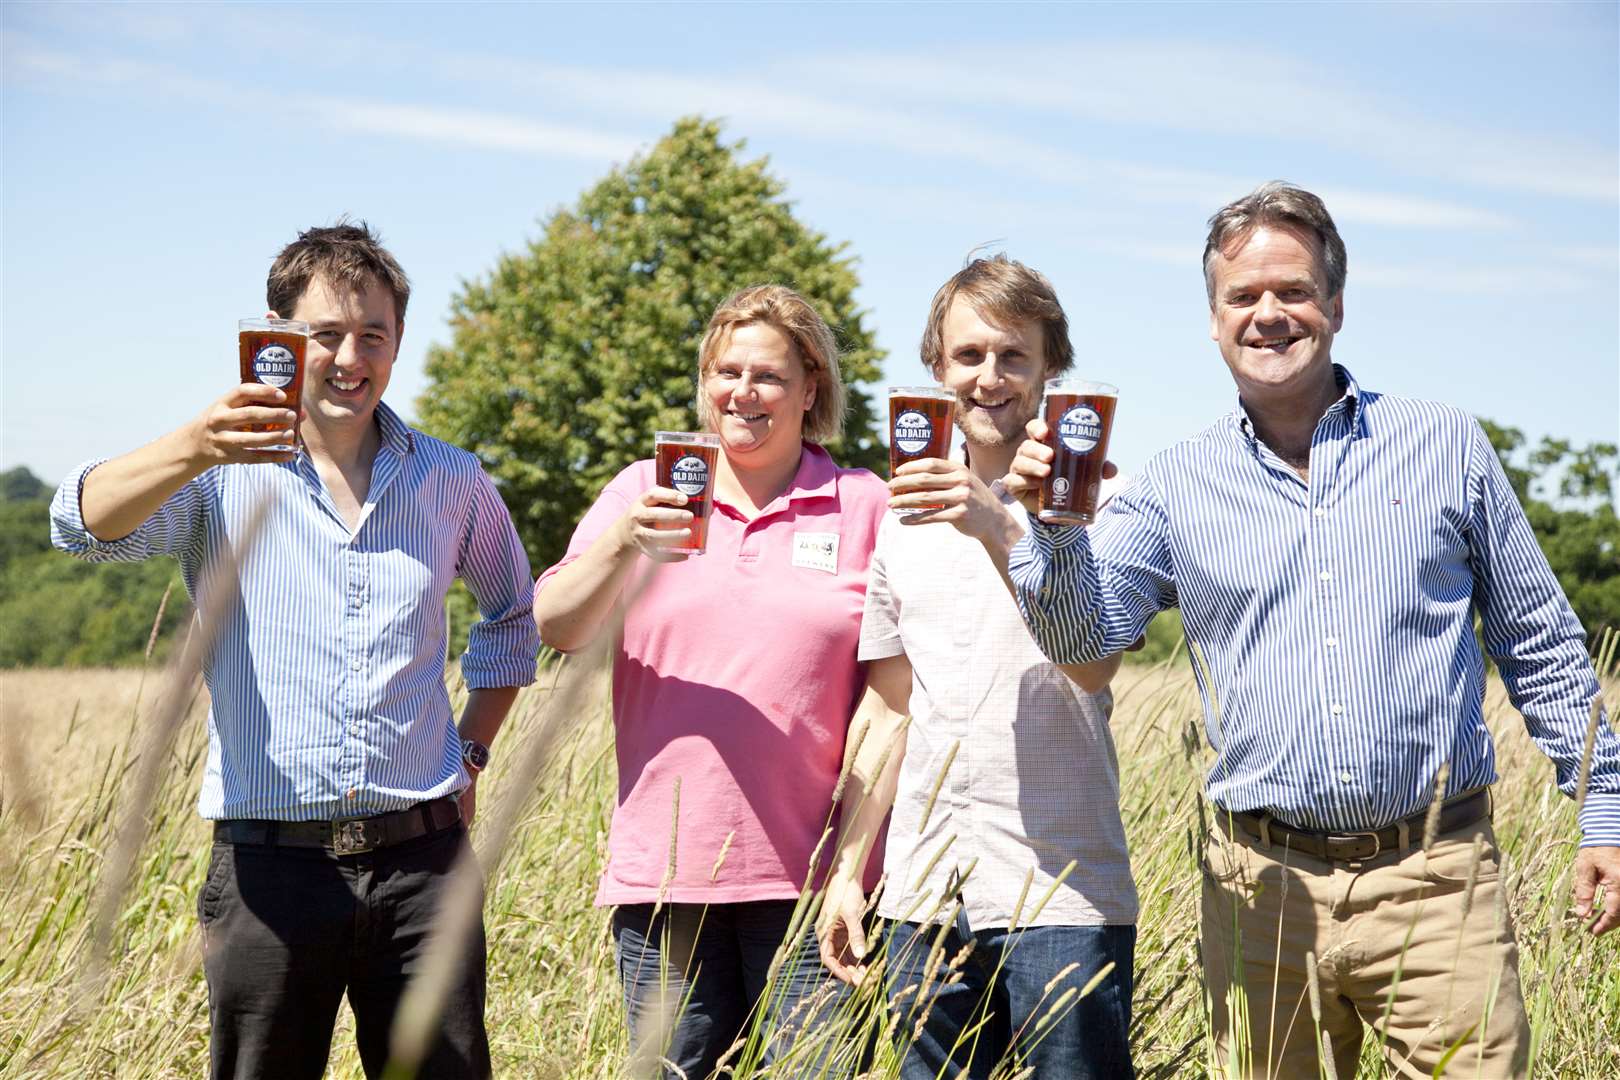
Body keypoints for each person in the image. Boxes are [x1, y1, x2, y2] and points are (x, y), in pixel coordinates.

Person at [1002, 182, 1620, 1078]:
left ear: (1334, 304)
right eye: (1241, 297)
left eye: (1291, 290)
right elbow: (1083, 642)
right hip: (1258, 890)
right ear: (1212, 322)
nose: (1268, 314)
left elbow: (1543, 645)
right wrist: (1056, 534)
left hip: (1438, 880)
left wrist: (1606, 807)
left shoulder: (1445, 446)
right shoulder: (1177, 483)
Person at [50, 222, 539, 1080]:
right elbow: (78, 526)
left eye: (374, 336)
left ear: (397, 344)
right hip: (267, 868)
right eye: (326, 335)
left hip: (424, 866)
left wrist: (472, 747)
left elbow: (511, 613)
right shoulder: (217, 474)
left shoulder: (452, 480)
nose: (351, 357)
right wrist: (195, 443)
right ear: (278, 336)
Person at [532, 285, 889, 1078]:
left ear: (811, 390)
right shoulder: (645, 491)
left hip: (813, 885)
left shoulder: (863, 505)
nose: (744, 392)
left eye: (769, 375)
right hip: (666, 881)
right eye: (727, 371)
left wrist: (854, 872)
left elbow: (893, 699)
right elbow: (556, 624)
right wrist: (625, 539)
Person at [817, 255, 1138, 1079]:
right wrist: (852, 870)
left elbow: (1094, 665)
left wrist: (1002, 528)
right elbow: (890, 711)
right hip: (922, 894)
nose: (989, 377)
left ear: (1049, 370)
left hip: (1062, 891)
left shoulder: (1109, 499)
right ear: (937, 369)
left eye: (1013, 356)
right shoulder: (901, 517)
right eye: (968, 356)